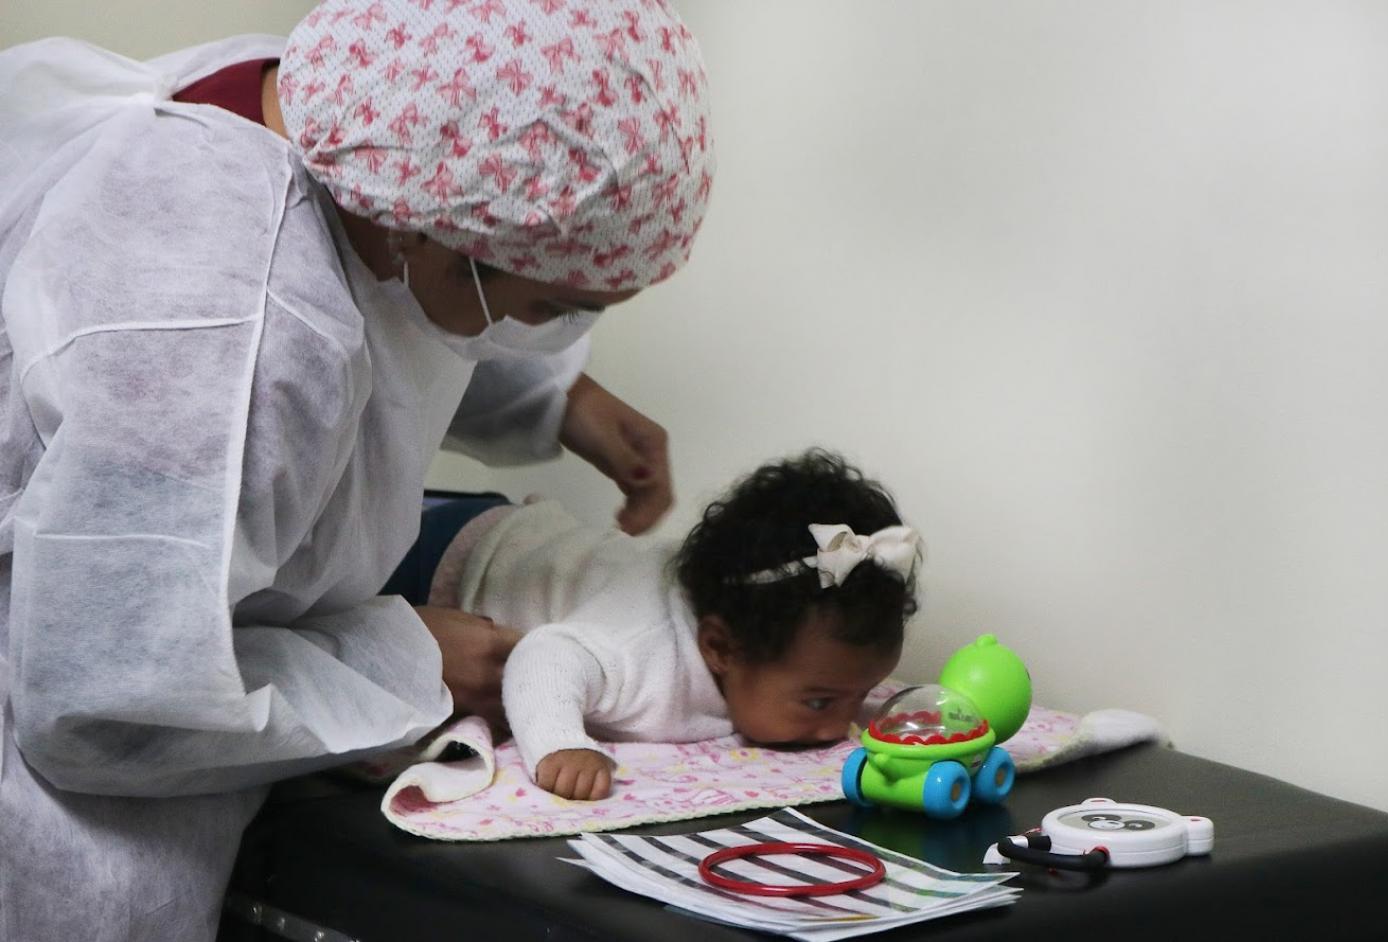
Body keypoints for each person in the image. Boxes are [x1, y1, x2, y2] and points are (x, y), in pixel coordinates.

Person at [0, 1, 713, 938]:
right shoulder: (223, 344)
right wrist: (402, 658)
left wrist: (558, 398)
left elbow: (387, 297)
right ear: (432, 238)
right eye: (553, 309)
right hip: (57, 828)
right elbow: (106, 705)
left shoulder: (340, 110)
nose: (559, 330)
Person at [433, 450, 920, 801]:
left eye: (861, 693)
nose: (839, 728)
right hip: (453, 558)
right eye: (819, 701)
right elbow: (541, 656)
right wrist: (560, 744)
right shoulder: (643, 651)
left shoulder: (773, 645)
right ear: (720, 648)